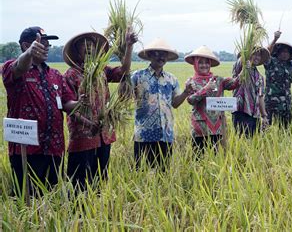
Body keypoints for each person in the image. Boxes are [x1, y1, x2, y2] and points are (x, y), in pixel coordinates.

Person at [2, 27, 78, 195]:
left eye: (47, 44)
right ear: (25, 45)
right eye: (42, 44)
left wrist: (81, 103)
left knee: (51, 196)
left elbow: (67, 103)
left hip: (54, 147)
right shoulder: (13, 69)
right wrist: (29, 53)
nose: (47, 47)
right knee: (26, 197)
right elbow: (18, 67)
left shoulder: (55, 75)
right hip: (27, 150)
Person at [62, 29, 137, 189]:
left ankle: (97, 207)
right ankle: (77, 211)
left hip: (104, 133)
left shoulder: (102, 70)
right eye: (83, 45)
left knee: (101, 177)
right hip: (83, 135)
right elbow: (68, 106)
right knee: (79, 181)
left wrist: (129, 46)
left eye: (91, 45)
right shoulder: (71, 74)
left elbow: (123, 71)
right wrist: (89, 123)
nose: (88, 48)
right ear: (76, 50)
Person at [131, 38, 191, 169]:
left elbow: (175, 103)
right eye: (157, 53)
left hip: (165, 134)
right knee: (141, 173)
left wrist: (186, 92)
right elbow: (124, 96)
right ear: (150, 55)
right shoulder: (137, 76)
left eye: (164, 54)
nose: (161, 57)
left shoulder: (171, 79)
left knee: (162, 173)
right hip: (144, 135)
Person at [185, 46, 240, 154]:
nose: (204, 65)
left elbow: (235, 83)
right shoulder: (191, 82)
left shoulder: (218, 80)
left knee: (216, 157)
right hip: (200, 128)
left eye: (207, 62)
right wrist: (205, 89)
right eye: (200, 62)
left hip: (217, 127)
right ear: (195, 64)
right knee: (199, 159)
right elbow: (191, 100)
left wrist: (245, 70)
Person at [232, 47, 270, 137]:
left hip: (255, 115)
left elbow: (260, 97)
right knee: (241, 141)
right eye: (254, 54)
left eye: (259, 55)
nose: (257, 57)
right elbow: (241, 61)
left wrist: (264, 116)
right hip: (241, 112)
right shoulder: (241, 68)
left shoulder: (260, 77)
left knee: (253, 142)